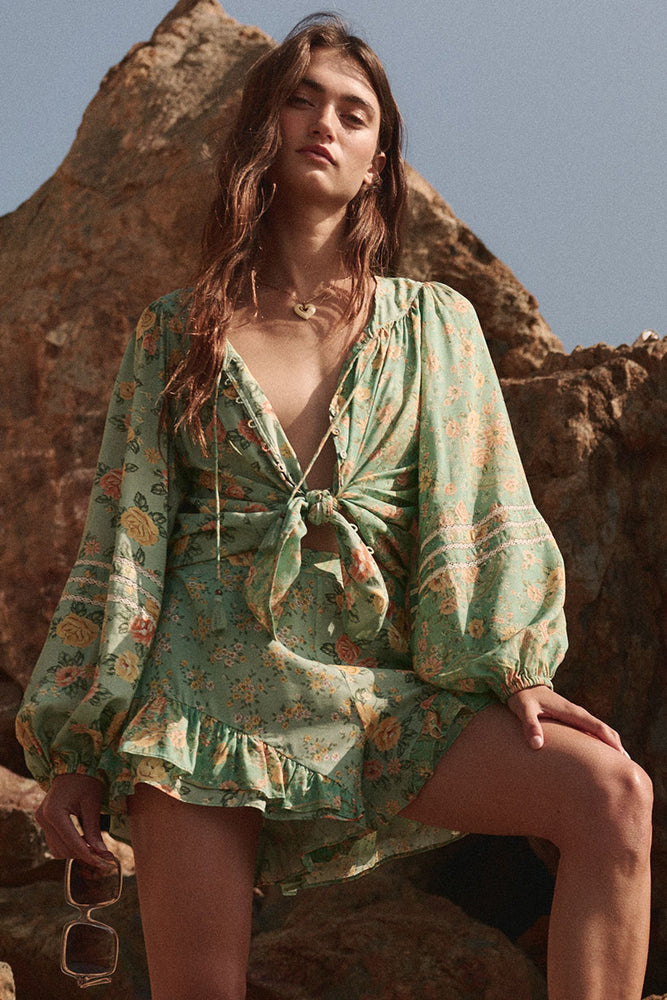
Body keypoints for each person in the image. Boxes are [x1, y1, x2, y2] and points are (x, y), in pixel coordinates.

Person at [16, 14, 652, 1000]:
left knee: (611, 796)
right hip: (201, 700)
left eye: (354, 113)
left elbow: (481, 500)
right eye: (300, 99)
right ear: (261, 131)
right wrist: (80, 745)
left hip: (378, 696)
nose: (324, 122)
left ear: (376, 165)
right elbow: (125, 537)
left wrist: (514, 665)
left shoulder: (433, 325)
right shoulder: (175, 334)